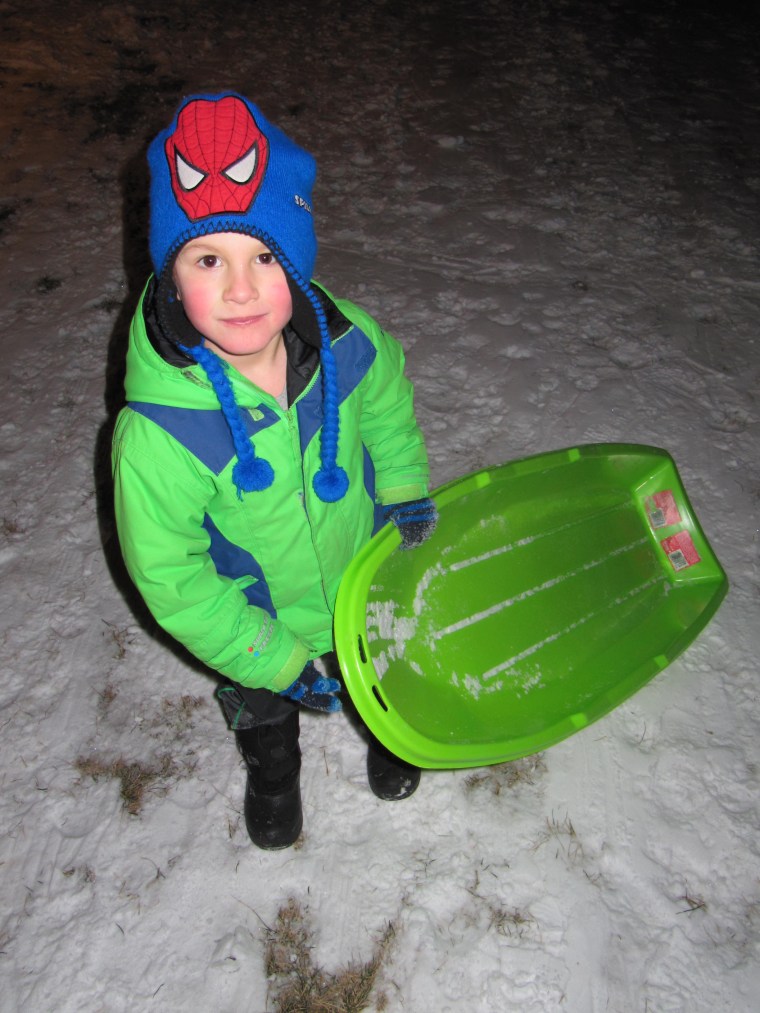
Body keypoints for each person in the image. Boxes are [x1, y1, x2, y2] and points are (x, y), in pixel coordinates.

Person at [111, 92, 437, 850]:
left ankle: (389, 729)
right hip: (250, 613)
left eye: (264, 256)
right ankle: (273, 772)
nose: (240, 288)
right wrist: (273, 655)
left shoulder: (348, 343)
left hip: (359, 566)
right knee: (265, 704)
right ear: (168, 272)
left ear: (296, 257)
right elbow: (171, 576)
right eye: (207, 258)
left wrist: (403, 485)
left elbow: (388, 407)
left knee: (377, 660)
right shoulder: (161, 433)